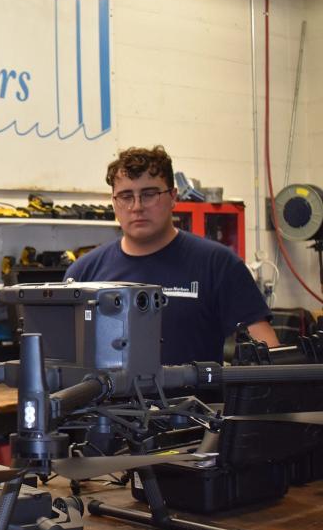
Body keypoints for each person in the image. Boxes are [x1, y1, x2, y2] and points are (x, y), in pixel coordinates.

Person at [64, 145, 278, 365]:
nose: (137, 207)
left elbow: (267, 351)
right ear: (114, 202)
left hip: (197, 400)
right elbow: (62, 359)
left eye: (149, 195)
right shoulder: (83, 273)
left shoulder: (218, 264)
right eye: (126, 196)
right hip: (109, 400)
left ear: (173, 197)